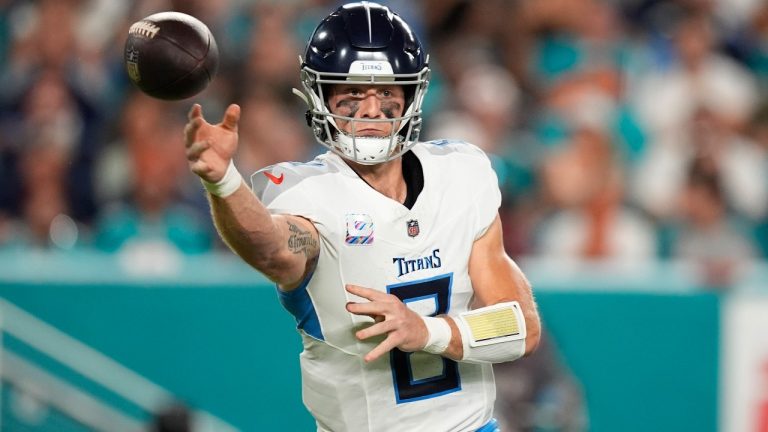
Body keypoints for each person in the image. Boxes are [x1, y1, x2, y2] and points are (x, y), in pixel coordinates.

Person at [183, 3, 540, 431]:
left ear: (412, 96)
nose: (371, 111)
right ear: (322, 97)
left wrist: (427, 332)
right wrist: (224, 182)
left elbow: (520, 326)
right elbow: (273, 248)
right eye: (352, 94)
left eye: (386, 93)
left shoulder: (461, 174)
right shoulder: (307, 193)